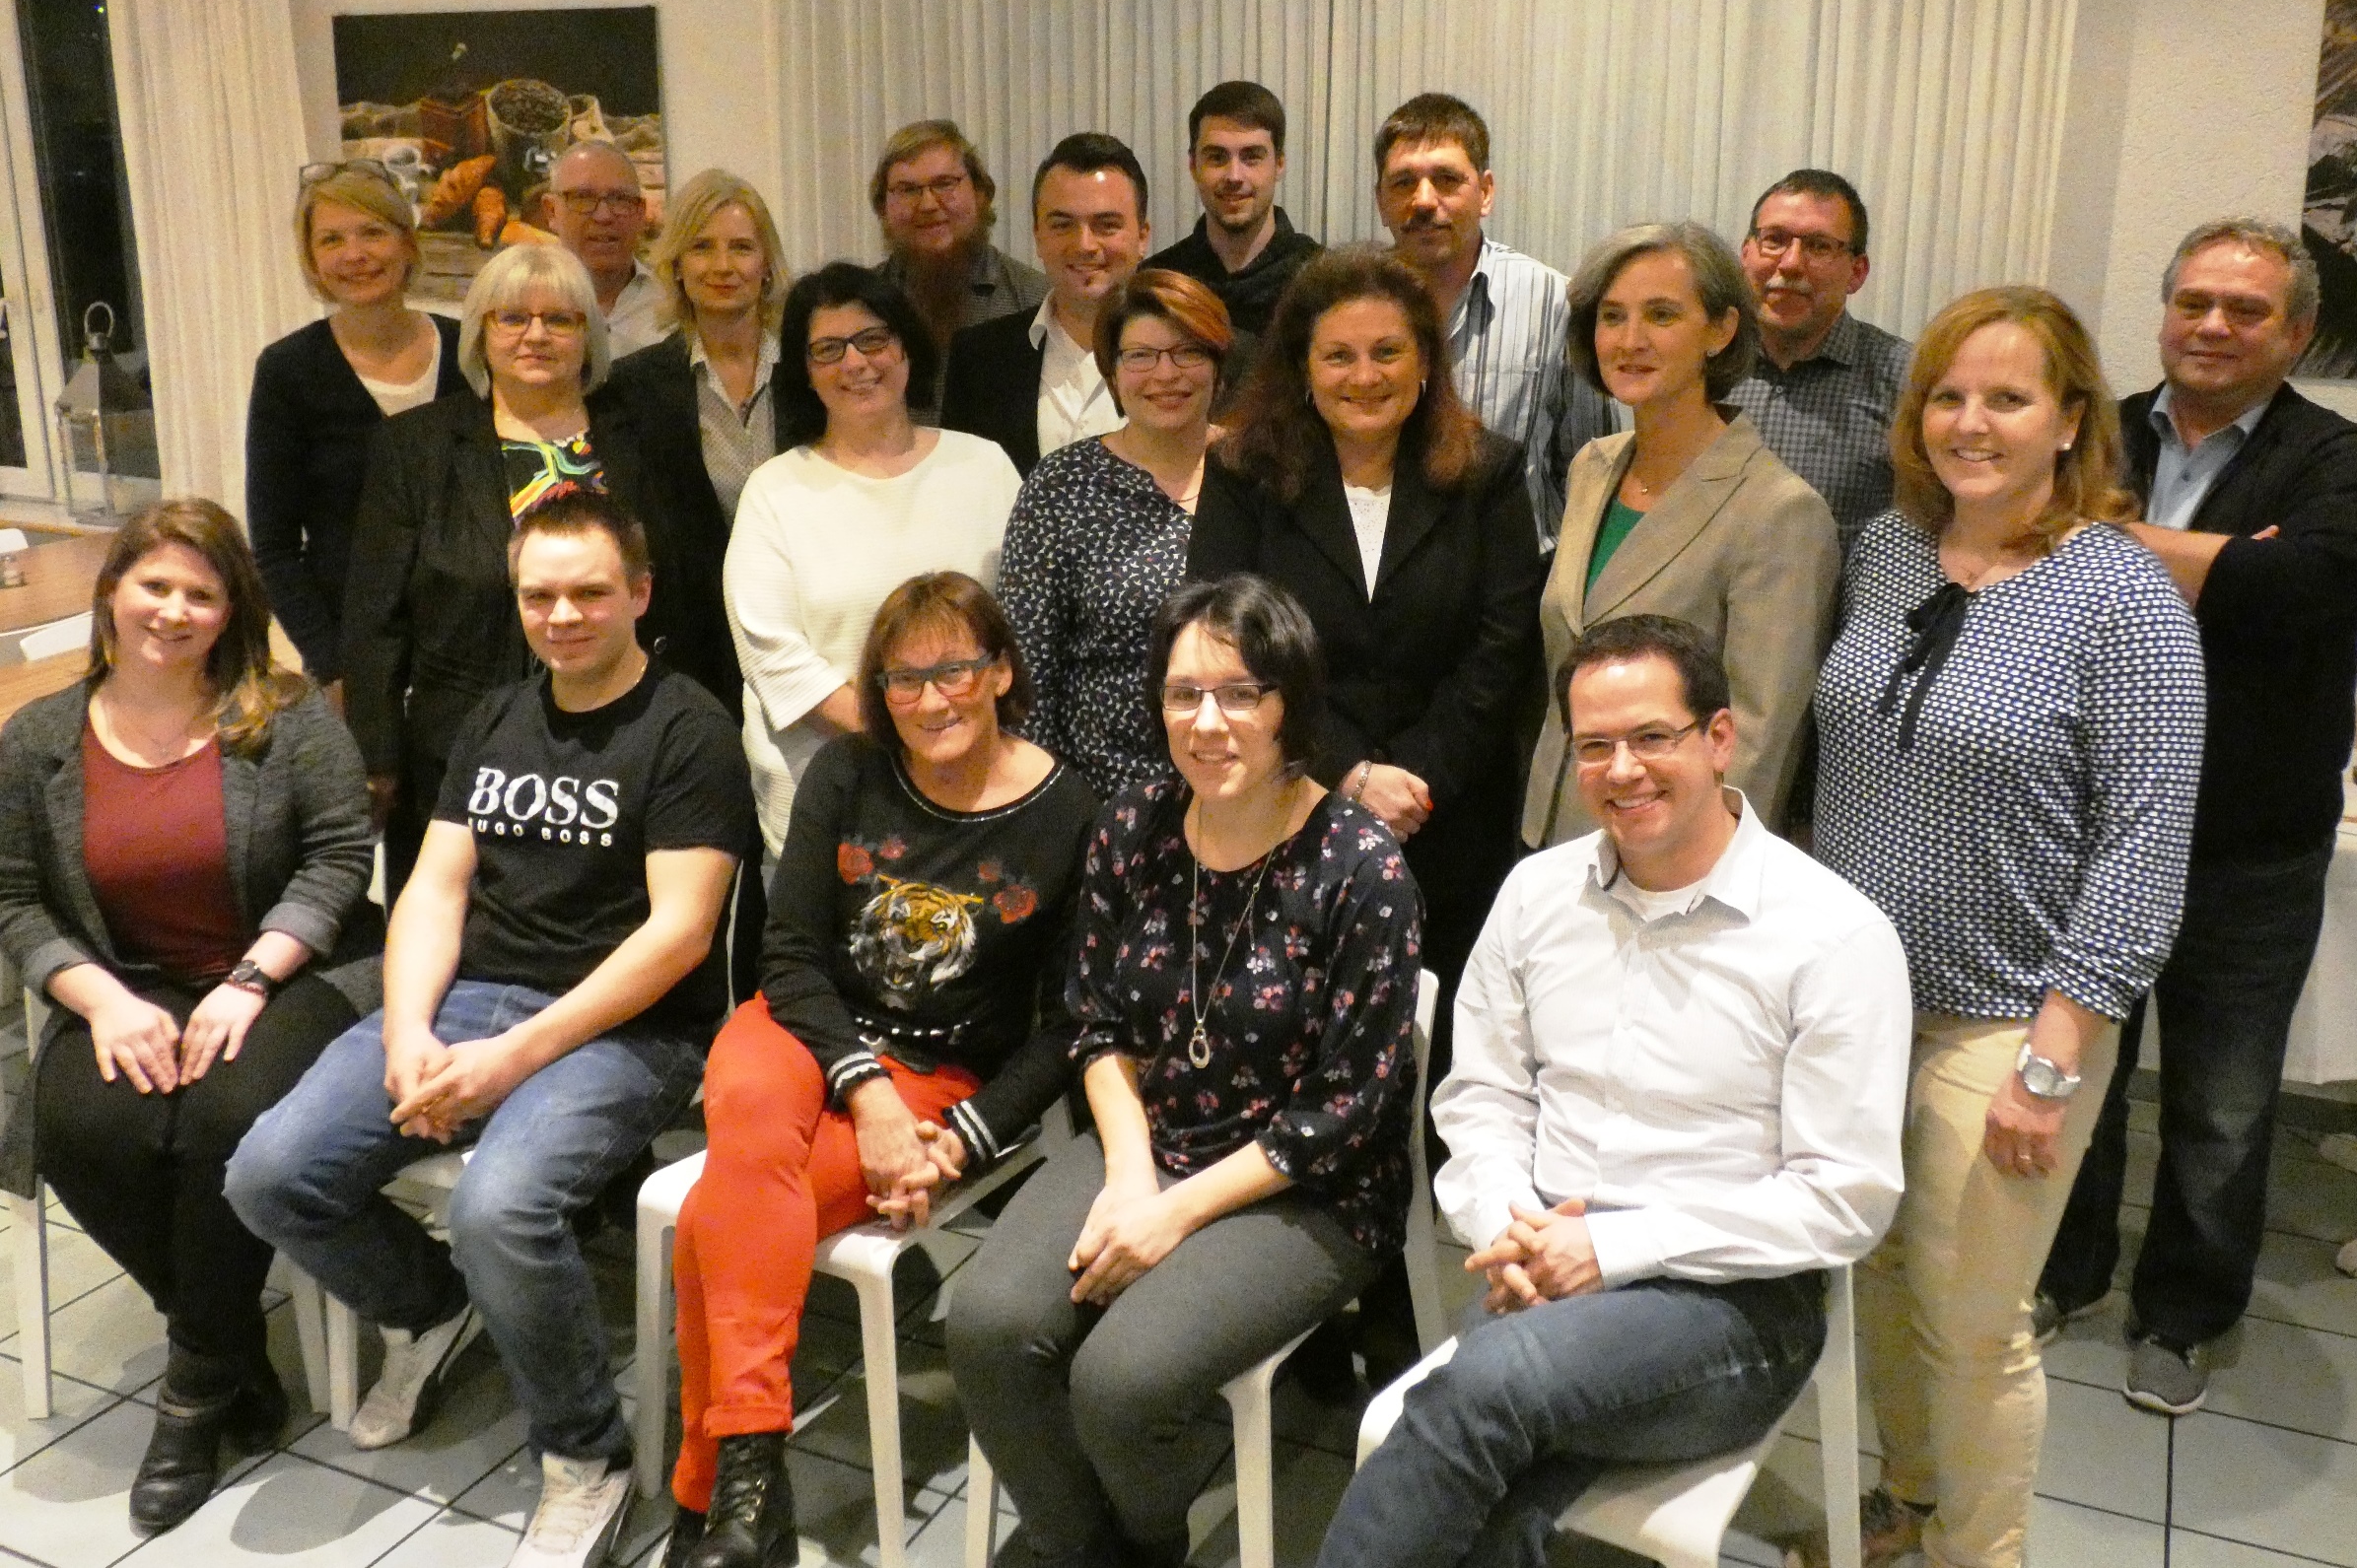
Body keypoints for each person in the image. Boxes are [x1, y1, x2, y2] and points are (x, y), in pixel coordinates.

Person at [1318, 614, 1911, 1568]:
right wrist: (1510, 1226)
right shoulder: (1535, 895)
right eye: (1595, 746)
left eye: (1651, 737)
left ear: (1720, 738)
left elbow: (1844, 1199)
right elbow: (1481, 1098)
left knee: (1482, 1392)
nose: (1622, 770)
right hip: (1542, 1262)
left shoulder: (1832, 935)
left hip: (1733, 1302)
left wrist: (1610, 1247)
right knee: (1488, 1493)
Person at [228, 493, 754, 1568]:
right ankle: (431, 1311)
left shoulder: (689, 728)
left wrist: (510, 1059)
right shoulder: (496, 715)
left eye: (589, 592)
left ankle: (585, 1454)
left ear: (640, 594)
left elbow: (679, 937)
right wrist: (408, 1033)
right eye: (538, 595)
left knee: (498, 1208)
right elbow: (434, 888)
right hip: (471, 999)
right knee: (270, 1174)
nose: (562, 615)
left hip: (631, 1027)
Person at [1813, 287, 2205, 1568]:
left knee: (1974, 1323)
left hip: (2009, 1017)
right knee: (1876, 1275)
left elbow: (2144, 851)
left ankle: (1980, 1554)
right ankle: (1909, 1502)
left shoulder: (2123, 597)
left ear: (2071, 420)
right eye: (1948, 395)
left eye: (2008, 398)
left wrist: (2051, 1062)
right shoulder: (1889, 550)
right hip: (1858, 1003)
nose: (1970, 423)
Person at [948, 574, 1421, 1568]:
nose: (1208, 722)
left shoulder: (1360, 865)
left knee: (1122, 1383)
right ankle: (1097, 1552)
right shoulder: (1134, 826)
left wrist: (1172, 1214)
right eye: (1183, 693)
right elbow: (1094, 1023)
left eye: (1241, 693)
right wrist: (1130, 1177)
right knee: (987, 1325)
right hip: (1151, 1135)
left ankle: (1141, 1537)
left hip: (1308, 1186)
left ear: (1290, 703)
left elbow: (1343, 1111)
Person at [2035, 219, 2357, 1414]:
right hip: (2090, 829)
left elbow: (2299, 585)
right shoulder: (2092, 433)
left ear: (2297, 332)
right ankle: (2064, 1272)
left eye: (2245, 310)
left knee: (2224, 1108)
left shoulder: (2348, 461)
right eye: (2193, 302)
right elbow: (2028, 573)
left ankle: (2185, 1317)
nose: (2212, 326)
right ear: (2164, 314)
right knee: (2077, 1076)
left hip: (2249, 848)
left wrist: (2113, 544)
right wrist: (2218, 560)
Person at [659, 574, 1098, 1568]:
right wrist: (867, 1092)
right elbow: (788, 955)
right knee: (753, 1117)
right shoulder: (847, 771)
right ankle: (750, 1478)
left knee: (721, 1217)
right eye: (905, 679)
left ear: (1001, 672)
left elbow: (1069, 1025)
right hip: (800, 1030)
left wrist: (963, 1140)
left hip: (939, 1076)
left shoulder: (1069, 810)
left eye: (955, 670)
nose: (932, 699)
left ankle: (721, 1494)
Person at [0, 501, 380, 1534]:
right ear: (112, 594)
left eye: (200, 594)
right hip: (128, 980)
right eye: (154, 585)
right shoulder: (39, 738)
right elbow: (15, 899)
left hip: (287, 969)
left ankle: (191, 1398)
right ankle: (232, 1348)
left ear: (231, 611)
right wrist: (100, 999)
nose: (173, 611)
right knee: (78, 1127)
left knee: (223, 1119)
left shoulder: (285, 716)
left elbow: (339, 858)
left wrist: (251, 978)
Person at [1190, 246, 1541, 1072]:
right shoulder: (1241, 472)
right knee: (1300, 1047)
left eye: (1387, 351)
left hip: (1451, 817)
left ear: (1425, 362)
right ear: (1302, 368)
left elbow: (1502, 645)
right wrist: (1345, 774)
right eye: (1338, 355)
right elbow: (1230, 639)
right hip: (1288, 805)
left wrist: (1414, 781)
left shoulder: (1488, 471)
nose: (1365, 376)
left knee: (1451, 1060)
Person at [342, 242, 704, 890]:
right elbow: (374, 618)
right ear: (480, 335)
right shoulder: (414, 447)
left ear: (588, 338)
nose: (535, 335)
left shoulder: (648, 435)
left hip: (627, 742)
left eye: (559, 319)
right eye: (512, 318)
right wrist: (377, 756)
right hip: (461, 754)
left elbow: (687, 582)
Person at [1522, 223, 1838, 848]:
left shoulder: (1780, 513)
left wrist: (1691, 872)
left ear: (1720, 331)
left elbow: (1758, 740)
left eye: (1661, 315)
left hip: (1669, 851)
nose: (1630, 340)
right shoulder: (1592, 467)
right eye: (1612, 316)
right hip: (1556, 831)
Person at [727, 262, 1023, 863]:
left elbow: (1022, 626)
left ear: (907, 349)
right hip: (828, 799)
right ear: (805, 372)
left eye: (873, 339)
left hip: (976, 786)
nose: (856, 363)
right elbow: (773, 656)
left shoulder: (985, 467)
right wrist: (910, 729)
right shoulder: (774, 490)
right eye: (829, 349)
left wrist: (946, 735)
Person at [1001, 268, 1231, 796]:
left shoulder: (1262, 471)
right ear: (1112, 372)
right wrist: (1049, 808)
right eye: (1141, 356)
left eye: (1188, 352)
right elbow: (1029, 671)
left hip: (1251, 790)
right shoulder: (1061, 485)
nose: (1165, 374)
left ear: (1218, 364)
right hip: (1104, 797)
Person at [246, 160, 468, 693]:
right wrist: (332, 667)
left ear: (408, 243)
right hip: (354, 658)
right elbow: (275, 548)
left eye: (373, 232)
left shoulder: (470, 351)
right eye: (332, 239)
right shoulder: (287, 371)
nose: (354, 254)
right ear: (312, 259)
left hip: (475, 652)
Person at [1372, 92, 1615, 536]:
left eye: (1446, 179)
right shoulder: (1348, 308)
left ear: (1485, 193)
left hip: (1523, 566)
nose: (1423, 200)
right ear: (1380, 200)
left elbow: (1593, 469)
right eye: (1403, 182)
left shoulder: (1554, 303)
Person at [612, 170, 802, 716]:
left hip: (805, 628)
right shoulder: (633, 387)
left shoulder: (812, 372)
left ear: (766, 265)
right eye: (701, 247)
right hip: (691, 653)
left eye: (741, 247)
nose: (722, 266)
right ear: (676, 265)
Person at [1726, 170, 1915, 554]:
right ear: (1746, 254)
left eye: (1819, 246)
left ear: (1856, 272)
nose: (1791, 263)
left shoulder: (1907, 381)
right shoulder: (1702, 365)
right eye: (1774, 240)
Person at [941, 132, 1150, 471]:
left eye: (1106, 225)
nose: (1084, 245)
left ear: (1142, 237)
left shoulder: (1194, 357)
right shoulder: (978, 359)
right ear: (1038, 236)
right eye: (1062, 225)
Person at [1143, 80, 1322, 355]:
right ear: (1193, 165)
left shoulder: (1323, 280)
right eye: (1217, 157)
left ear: (1279, 164)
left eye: (1251, 157)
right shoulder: (1159, 283)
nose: (1234, 176)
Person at [868, 118, 1048, 375]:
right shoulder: (861, 306)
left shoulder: (1036, 303)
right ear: (882, 207)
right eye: (907, 190)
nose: (928, 205)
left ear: (981, 193)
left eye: (944, 184)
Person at [546, 139, 670, 357]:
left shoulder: (676, 308)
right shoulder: (517, 310)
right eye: (583, 198)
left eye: (620, 199)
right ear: (551, 211)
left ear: (640, 213)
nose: (603, 216)